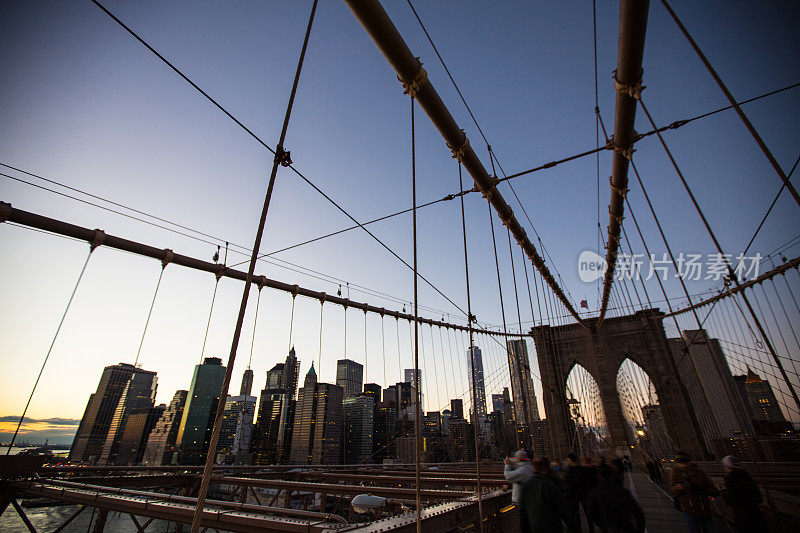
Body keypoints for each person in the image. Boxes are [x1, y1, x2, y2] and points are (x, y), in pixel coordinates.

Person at [669, 451, 719, 533]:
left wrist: (701, 489)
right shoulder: (675, 473)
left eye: (685, 462)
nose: (683, 465)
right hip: (689, 509)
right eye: (680, 463)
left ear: (689, 462)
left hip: (704, 509)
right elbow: (673, 490)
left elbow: (713, 490)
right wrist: (677, 488)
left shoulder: (699, 473)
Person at [588, 463, 646, 533]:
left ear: (599, 476)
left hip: (608, 528)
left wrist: (602, 525)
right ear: (613, 475)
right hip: (626, 527)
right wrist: (639, 530)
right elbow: (638, 513)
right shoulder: (623, 492)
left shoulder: (595, 493)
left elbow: (592, 513)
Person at [720, 455, 768, 532]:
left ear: (727, 466)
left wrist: (724, 493)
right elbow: (759, 497)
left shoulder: (731, 479)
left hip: (742, 514)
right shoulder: (746, 476)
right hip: (755, 513)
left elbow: (733, 499)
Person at [520, 457, 566, 533]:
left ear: (533, 468)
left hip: (535, 526)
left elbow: (523, 510)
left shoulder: (526, 485)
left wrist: (524, 528)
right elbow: (562, 507)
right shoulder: (552, 483)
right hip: (553, 525)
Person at [564, 453, 594, 533]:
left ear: (570, 460)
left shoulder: (570, 470)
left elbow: (568, 481)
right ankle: (591, 529)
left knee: (577, 514)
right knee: (586, 513)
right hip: (583, 494)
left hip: (575, 495)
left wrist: (568, 481)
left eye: (568, 460)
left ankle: (579, 529)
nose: (567, 461)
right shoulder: (583, 469)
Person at [504, 449, 534, 531]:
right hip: (526, 502)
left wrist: (507, 465)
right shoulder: (527, 467)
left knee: (524, 525)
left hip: (522, 503)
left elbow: (509, 476)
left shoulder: (524, 470)